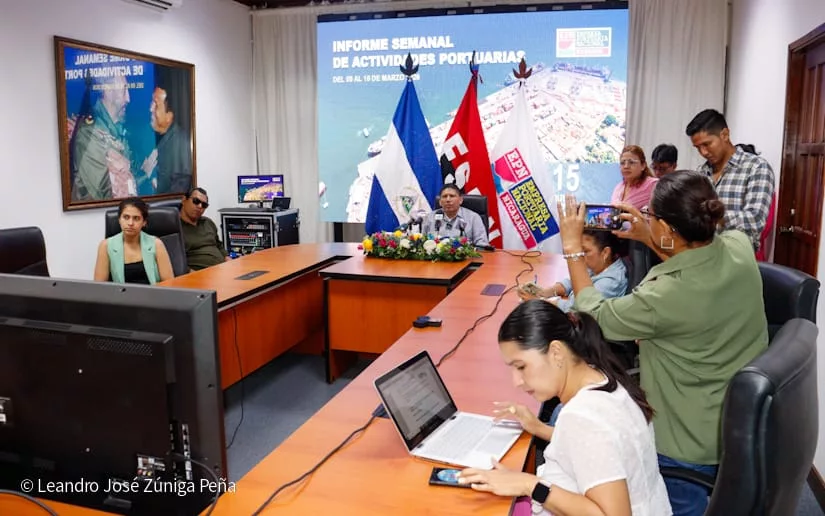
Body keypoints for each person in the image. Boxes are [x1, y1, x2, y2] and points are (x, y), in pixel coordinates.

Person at [556, 171, 769, 516]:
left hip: (684, 442)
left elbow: (596, 313)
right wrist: (647, 234)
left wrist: (571, 249)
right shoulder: (738, 246)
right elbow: (692, 262)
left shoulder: (665, 296)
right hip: (734, 420)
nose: (646, 219)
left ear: (670, 230)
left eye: (651, 216)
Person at [456, 300, 672, 516]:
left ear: (556, 352)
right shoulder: (602, 377)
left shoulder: (583, 417)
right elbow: (601, 449)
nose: (516, 381)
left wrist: (528, 484)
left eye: (521, 367)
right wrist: (539, 428)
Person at [686, 109, 775, 250]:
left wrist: (708, 217)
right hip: (702, 256)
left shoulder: (756, 167)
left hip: (735, 258)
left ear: (725, 135)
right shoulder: (701, 173)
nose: (703, 152)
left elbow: (755, 220)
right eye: (698, 148)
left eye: (707, 144)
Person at [518, 230, 627, 312]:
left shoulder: (611, 282)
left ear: (605, 253)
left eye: (585, 251)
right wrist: (546, 292)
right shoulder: (599, 265)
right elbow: (573, 281)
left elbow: (577, 310)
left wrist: (541, 302)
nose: (579, 256)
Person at [72, 74, 135, 201]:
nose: (128, 99)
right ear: (108, 90)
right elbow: (100, 192)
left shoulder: (119, 131)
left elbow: (129, 177)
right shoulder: (89, 131)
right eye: (124, 91)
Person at [93, 197, 174, 285]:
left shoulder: (156, 244)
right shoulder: (106, 246)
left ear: (144, 222)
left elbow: (169, 284)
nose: (130, 223)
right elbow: (99, 287)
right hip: (122, 297)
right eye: (126, 217)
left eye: (136, 218)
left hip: (152, 296)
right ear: (119, 219)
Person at [144, 69, 193, 195]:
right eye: (151, 103)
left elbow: (179, 189)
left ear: (169, 114)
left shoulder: (181, 142)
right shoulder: (147, 139)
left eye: (156, 104)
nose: (150, 109)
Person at [420, 184, 489, 247]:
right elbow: (422, 242)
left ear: (460, 200)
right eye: (444, 196)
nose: (448, 199)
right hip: (435, 259)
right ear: (440, 202)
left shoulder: (473, 218)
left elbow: (482, 245)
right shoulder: (430, 218)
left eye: (452, 196)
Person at [180, 187, 230, 271]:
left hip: (221, 271)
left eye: (204, 205)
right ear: (184, 200)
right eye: (196, 201)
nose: (200, 206)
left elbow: (219, 245)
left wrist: (228, 259)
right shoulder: (175, 228)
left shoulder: (208, 222)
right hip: (199, 276)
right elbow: (174, 262)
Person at [610, 145, 658, 211]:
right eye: (622, 163)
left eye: (631, 162)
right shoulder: (618, 187)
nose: (626, 166)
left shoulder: (654, 185)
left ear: (643, 165)